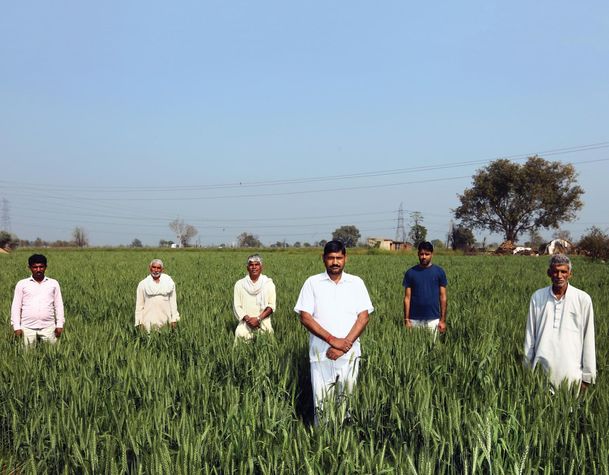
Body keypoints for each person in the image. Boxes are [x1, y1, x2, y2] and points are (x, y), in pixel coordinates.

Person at [294, 240, 374, 421]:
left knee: (347, 404)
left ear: (346, 258)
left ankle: (344, 444)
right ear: (323, 259)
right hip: (320, 355)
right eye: (331, 258)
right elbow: (305, 317)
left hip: (350, 356)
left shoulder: (356, 283)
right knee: (321, 405)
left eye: (339, 257)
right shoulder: (312, 283)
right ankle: (322, 443)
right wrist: (332, 340)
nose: (335, 262)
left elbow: (363, 317)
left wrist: (343, 346)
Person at [524, 254, 596, 391]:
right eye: (555, 271)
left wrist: (587, 377)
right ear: (549, 273)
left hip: (571, 375)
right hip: (541, 373)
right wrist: (527, 371)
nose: (559, 275)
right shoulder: (537, 297)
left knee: (569, 412)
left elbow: (589, 339)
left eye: (563, 271)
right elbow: (530, 336)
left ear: (570, 274)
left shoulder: (583, 299)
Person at [11, 254, 65, 347]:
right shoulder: (22, 284)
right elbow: (16, 306)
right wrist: (16, 326)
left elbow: (58, 305)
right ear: (30, 268)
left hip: (49, 327)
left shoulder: (53, 283)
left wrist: (59, 325)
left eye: (41, 267)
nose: (38, 270)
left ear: (45, 267)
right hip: (27, 328)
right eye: (35, 267)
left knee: (52, 355)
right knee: (27, 357)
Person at [403, 241, 448, 332]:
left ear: (432, 254)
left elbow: (443, 297)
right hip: (414, 319)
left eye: (427, 254)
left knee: (432, 346)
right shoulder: (410, 273)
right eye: (421, 254)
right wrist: (407, 320)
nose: (424, 257)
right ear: (418, 254)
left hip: (433, 319)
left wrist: (442, 320)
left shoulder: (439, 272)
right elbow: (407, 298)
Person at [233, 254, 276, 341]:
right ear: (247, 268)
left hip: (263, 323)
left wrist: (258, 319)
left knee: (267, 348)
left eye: (257, 264)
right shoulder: (239, 284)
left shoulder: (268, 283)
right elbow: (237, 306)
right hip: (245, 324)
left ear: (261, 267)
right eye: (251, 265)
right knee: (240, 347)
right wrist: (249, 320)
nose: (254, 267)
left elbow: (271, 306)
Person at [135, 259, 180, 332]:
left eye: (158, 268)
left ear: (162, 269)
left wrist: (174, 319)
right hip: (148, 321)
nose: (156, 270)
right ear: (150, 268)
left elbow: (173, 303)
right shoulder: (143, 284)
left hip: (166, 321)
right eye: (154, 267)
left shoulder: (169, 283)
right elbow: (139, 306)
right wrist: (139, 323)